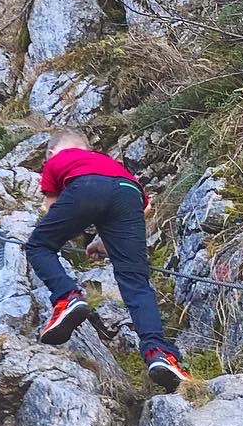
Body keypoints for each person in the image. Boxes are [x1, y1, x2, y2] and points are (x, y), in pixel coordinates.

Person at [25, 127, 192, 391]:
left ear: (53, 151)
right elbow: (144, 207)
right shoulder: (108, 162)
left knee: (38, 246)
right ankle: (159, 352)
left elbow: (54, 208)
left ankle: (67, 296)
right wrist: (104, 240)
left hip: (86, 187)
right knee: (135, 281)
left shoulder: (56, 160)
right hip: (130, 193)